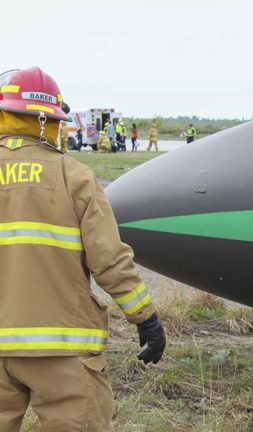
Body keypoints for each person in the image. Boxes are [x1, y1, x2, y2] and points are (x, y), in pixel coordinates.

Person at [0, 67, 167, 431]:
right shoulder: (73, 176)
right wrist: (145, 317)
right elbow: (109, 260)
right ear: (48, 121)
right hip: (62, 349)